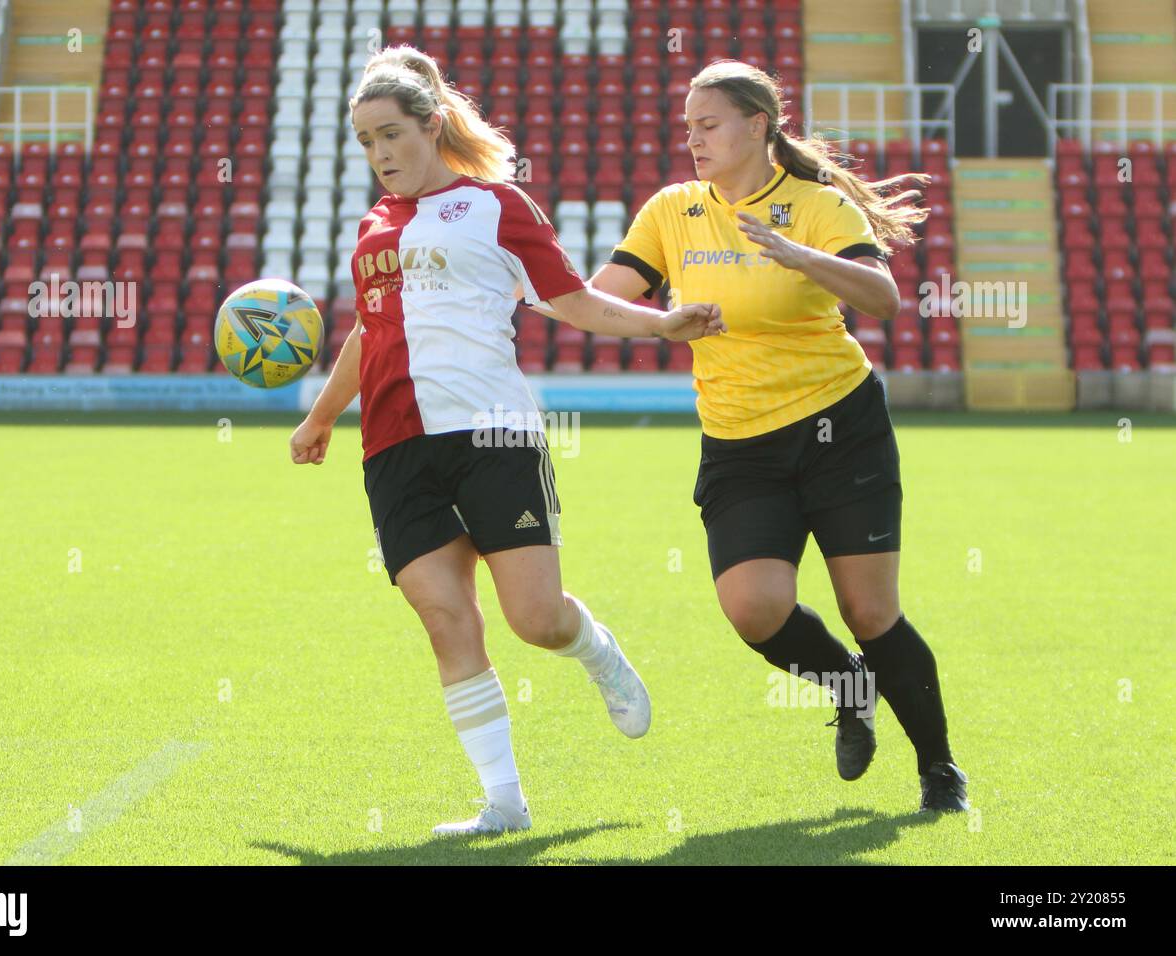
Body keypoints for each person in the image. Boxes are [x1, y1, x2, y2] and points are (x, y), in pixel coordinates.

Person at [289, 46, 725, 836]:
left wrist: (663, 322)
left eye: (390, 134)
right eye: (365, 141)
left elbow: (572, 301)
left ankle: (594, 649)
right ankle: (503, 804)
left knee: (534, 619)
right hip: (393, 447)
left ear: (431, 126)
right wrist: (322, 416)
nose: (379, 154)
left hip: (492, 433)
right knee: (446, 617)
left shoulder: (497, 206)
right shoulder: (371, 227)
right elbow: (370, 329)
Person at [588, 60, 968, 812]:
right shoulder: (672, 210)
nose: (692, 139)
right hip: (740, 446)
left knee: (871, 612)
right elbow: (598, 302)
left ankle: (939, 771)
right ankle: (850, 687)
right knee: (753, 609)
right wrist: (657, 319)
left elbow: (886, 298)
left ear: (757, 125)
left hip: (842, 431)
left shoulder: (816, 205)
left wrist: (803, 257)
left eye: (709, 124)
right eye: (687, 126)